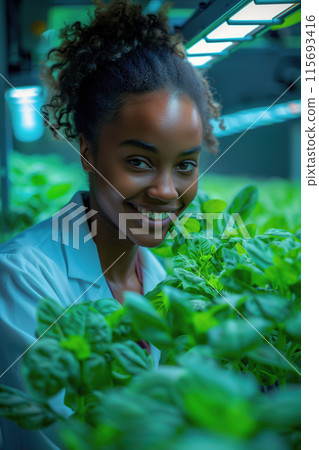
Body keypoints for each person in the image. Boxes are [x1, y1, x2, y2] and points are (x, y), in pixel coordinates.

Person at [0, 0, 221, 448]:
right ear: (88, 152)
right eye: (139, 161)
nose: (166, 191)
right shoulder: (21, 277)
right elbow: (47, 436)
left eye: (185, 166)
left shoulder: (159, 279)